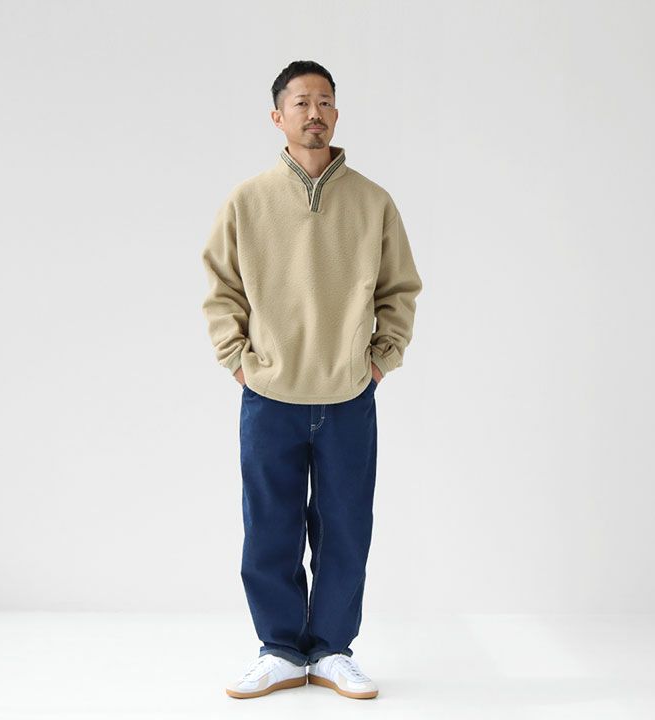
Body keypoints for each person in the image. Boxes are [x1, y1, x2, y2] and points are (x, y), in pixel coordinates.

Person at [201, 60, 423, 700]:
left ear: (336, 113)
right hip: (269, 395)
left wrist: (379, 360)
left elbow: (399, 289)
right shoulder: (247, 201)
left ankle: (330, 651)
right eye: (300, 102)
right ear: (278, 116)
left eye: (324, 101)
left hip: (349, 394)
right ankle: (278, 649)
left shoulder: (373, 202)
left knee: (345, 527)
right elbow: (221, 287)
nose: (314, 112)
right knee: (269, 527)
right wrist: (238, 359)